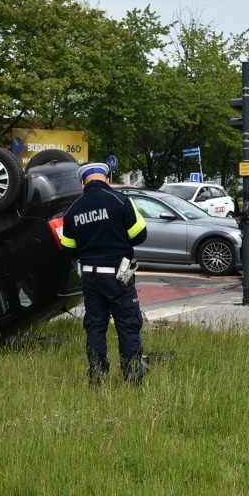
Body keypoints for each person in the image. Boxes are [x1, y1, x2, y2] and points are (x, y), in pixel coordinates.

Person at [61, 162, 149, 387]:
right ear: (107, 179)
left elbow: (68, 248)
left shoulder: (73, 210)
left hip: (90, 277)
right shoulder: (120, 201)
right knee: (128, 324)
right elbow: (140, 235)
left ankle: (97, 375)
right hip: (119, 276)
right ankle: (132, 376)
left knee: (95, 326)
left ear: (83, 183)